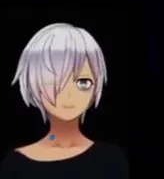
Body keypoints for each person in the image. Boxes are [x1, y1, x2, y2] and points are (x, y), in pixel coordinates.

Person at [1, 24, 128, 178]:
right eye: (55, 82)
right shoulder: (15, 165)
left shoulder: (112, 159)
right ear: (34, 83)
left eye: (83, 82)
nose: (69, 95)